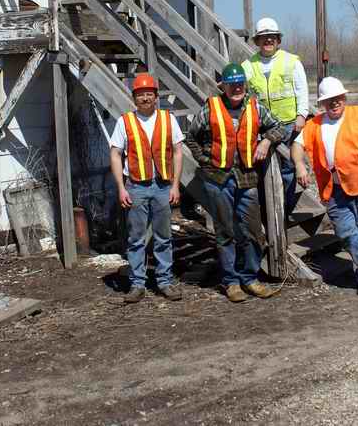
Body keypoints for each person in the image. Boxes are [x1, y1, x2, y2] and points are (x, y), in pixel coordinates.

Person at [185, 63, 288, 303]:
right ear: (224, 86)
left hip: (247, 178)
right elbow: (191, 137)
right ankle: (231, 282)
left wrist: (266, 142)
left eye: (240, 84)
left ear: (245, 84)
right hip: (218, 179)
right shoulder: (210, 107)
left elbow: (279, 126)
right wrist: (203, 159)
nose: (237, 88)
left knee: (253, 231)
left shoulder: (255, 107)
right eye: (232, 85)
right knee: (225, 231)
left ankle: (250, 278)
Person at [291, 77, 358, 296]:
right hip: (334, 189)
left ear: (344, 98)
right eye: (329, 100)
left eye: (337, 98)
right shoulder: (314, 124)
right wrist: (300, 165)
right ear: (322, 103)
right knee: (347, 232)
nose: (334, 103)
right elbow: (296, 145)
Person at [108, 73, 185, 303]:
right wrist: (121, 188)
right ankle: (137, 284)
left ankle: (164, 281)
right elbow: (115, 154)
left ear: (156, 97)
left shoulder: (168, 119)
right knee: (136, 238)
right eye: (140, 95)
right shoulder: (125, 121)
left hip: (162, 186)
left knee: (164, 237)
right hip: (136, 187)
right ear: (134, 98)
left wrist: (175, 185)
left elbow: (178, 151)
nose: (145, 99)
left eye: (149, 94)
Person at [241, 17, 309, 218]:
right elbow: (237, 87)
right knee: (262, 171)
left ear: (278, 39)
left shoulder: (291, 62)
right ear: (257, 41)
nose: (268, 41)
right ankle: (265, 213)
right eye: (263, 38)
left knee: (288, 170)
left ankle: (284, 210)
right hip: (261, 127)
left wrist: (301, 115)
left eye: (271, 37)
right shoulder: (248, 65)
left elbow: (301, 90)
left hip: (288, 125)